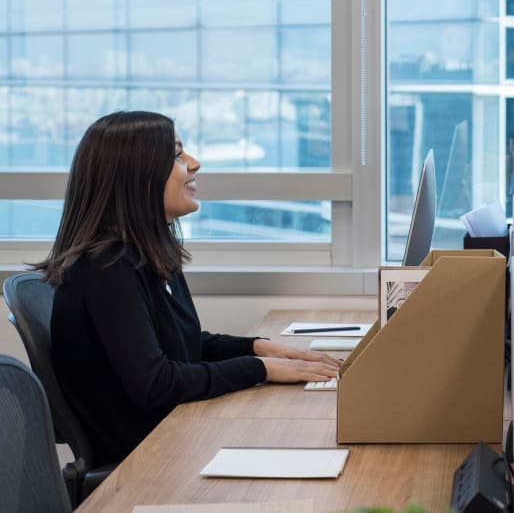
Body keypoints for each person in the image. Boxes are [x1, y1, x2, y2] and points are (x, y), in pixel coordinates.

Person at [35, 111, 342, 465]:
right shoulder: (108, 268)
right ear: (138, 175)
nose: (194, 163)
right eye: (177, 155)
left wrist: (259, 348)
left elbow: (181, 345)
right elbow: (156, 383)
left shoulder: (144, 253)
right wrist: (260, 368)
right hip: (152, 461)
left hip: (178, 436)